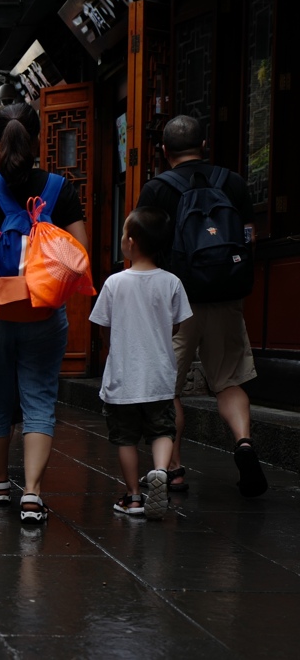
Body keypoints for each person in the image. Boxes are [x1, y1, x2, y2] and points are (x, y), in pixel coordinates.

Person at [0, 103, 88, 523]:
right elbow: (80, 253)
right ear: (39, 136)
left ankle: (1, 483)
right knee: (39, 398)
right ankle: (33, 494)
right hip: (44, 313)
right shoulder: (60, 188)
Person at [137, 115, 267, 497]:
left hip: (175, 301)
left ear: (164, 151)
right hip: (225, 296)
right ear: (204, 145)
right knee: (229, 380)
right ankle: (243, 442)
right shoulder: (233, 183)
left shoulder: (157, 190)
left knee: (168, 387)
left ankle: (173, 468)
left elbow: (142, 251)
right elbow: (248, 238)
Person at [90, 208, 192, 520]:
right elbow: (175, 326)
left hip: (123, 379)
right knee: (162, 430)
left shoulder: (114, 283)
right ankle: (161, 470)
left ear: (130, 243)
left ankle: (134, 496)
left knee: (126, 438)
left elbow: (104, 327)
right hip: (159, 377)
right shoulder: (172, 282)